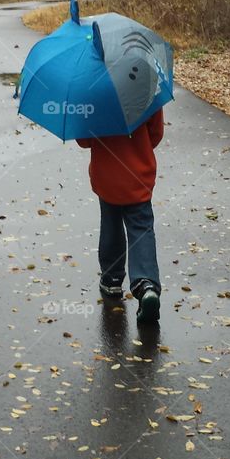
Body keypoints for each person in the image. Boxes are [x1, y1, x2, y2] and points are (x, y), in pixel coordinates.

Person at [76, 108, 164, 324]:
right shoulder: (146, 83)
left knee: (111, 223)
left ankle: (112, 279)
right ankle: (146, 284)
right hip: (138, 173)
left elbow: (84, 140)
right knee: (141, 228)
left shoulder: (91, 92)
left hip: (107, 174)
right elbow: (156, 134)